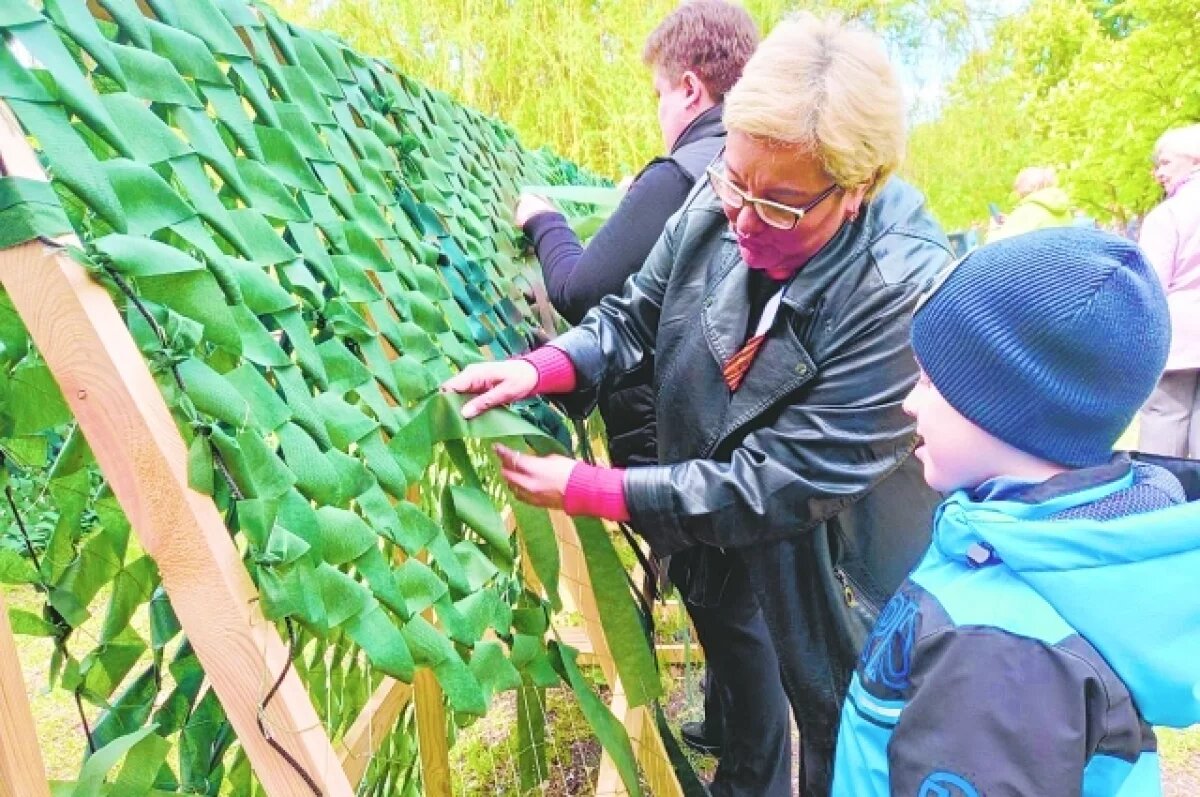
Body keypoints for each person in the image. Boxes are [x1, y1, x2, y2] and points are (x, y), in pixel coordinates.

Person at [444, 15, 949, 794]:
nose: (742, 221)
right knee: (748, 677)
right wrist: (543, 367)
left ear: (857, 190)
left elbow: (781, 481)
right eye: (734, 182)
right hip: (720, 509)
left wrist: (594, 489)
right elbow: (634, 312)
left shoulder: (897, 292)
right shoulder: (731, 193)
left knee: (838, 727)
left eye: (779, 206)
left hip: (834, 554)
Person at [831, 228, 1200, 796]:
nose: (910, 401)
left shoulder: (999, 649)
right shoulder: (1034, 545)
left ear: (1005, 408)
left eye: (930, 379)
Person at [515, 5, 779, 782]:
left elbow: (584, 288)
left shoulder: (687, 171)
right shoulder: (752, 160)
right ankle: (731, 734)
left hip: (687, 446)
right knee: (739, 611)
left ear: (691, 88)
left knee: (734, 622)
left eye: (659, 93)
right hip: (734, 433)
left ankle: (751, 777)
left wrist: (544, 220)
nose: (658, 111)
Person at [1138, 124, 1200, 458]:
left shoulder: (1168, 215)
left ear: (1195, 160)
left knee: (1165, 430)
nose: (1158, 172)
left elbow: (1150, 286)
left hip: (1176, 340)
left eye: (1165, 163)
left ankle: (1165, 501)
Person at [986, 165, 1073, 242]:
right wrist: (1010, 221)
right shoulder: (1063, 210)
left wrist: (995, 229)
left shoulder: (1027, 211)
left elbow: (996, 248)